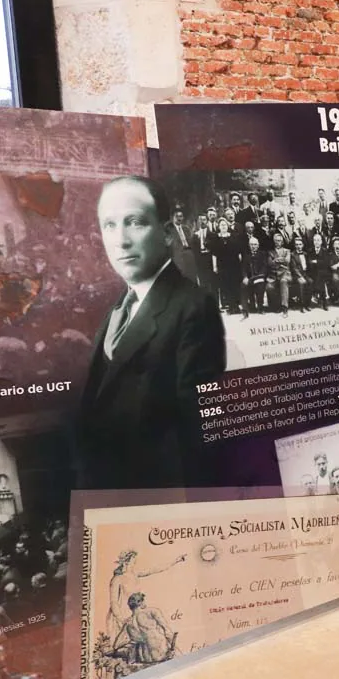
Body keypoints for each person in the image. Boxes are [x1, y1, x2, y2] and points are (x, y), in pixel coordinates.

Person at [76, 176, 226, 491]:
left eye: (135, 222)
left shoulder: (192, 307)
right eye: (109, 225)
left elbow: (196, 434)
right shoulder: (120, 308)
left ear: (168, 232)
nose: (121, 240)